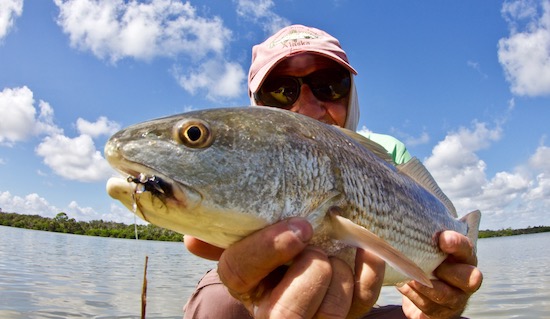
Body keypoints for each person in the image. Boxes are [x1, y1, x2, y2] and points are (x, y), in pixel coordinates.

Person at [183, 24, 482, 319]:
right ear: (257, 106)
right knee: (217, 301)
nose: (309, 108)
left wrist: (445, 300)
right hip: (263, 289)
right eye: (281, 92)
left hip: (370, 299)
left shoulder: (389, 152)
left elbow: (438, 248)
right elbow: (199, 240)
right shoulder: (244, 163)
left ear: (350, 95)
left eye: (329, 84)